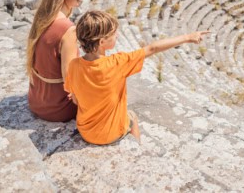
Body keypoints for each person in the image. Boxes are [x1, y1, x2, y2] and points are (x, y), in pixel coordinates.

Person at [64, 10, 208, 145]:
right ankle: (138, 145)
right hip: (109, 135)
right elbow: (152, 48)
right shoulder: (117, 63)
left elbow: (76, 100)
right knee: (132, 116)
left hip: (86, 131)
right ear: (102, 42)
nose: (117, 36)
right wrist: (187, 37)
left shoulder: (74, 65)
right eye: (114, 34)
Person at [26, 0, 86, 122]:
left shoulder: (43, 16)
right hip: (58, 108)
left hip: (37, 101)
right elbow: (69, 77)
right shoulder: (68, 30)